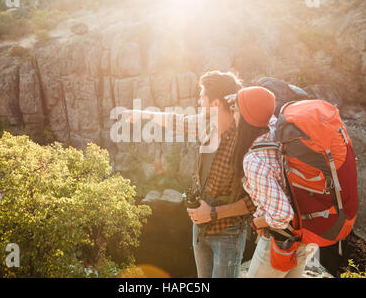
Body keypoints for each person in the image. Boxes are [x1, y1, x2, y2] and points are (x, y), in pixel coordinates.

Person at [124, 71, 256, 278]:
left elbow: (253, 203)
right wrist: (143, 114)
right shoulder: (207, 125)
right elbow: (177, 120)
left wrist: (212, 213)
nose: (198, 101)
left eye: (202, 97)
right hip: (200, 227)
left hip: (227, 233)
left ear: (216, 104)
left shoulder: (245, 141)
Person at [232, 86, 311, 278]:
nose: (233, 114)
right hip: (303, 237)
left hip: (279, 242)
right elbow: (261, 108)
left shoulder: (254, 160)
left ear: (245, 117)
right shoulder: (278, 130)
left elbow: (282, 215)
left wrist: (258, 221)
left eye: (235, 109)